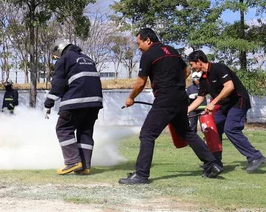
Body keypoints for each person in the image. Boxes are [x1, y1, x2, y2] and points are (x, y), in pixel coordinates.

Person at [119, 28, 222, 185]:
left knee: (147, 134)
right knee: (187, 133)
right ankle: (212, 164)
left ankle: (141, 175)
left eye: (139, 43)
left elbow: (140, 83)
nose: (138, 47)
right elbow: (186, 70)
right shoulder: (172, 50)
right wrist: (177, 84)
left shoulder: (148, 55)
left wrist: (130, 98)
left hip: (165, 100)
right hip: (181, 98)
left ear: (148, 40)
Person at [187, 50, 266, 173]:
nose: (191, 67)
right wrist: (185, 111)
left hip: (238, 101)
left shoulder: (219, 68)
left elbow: (229, 87)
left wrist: (213, 102)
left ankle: (255, 157)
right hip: (225, 106)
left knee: (231, 128)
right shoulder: (203, 79)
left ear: (199, 61)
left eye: (192, 64)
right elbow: (200, 98)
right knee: (212, 129)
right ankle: (215, 162)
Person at [44, 41, 103, 175]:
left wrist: (49, 103)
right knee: (85, 131)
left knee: (64, 128)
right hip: (95, 102)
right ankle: (85, 166)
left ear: (59, 50)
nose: (56, 58)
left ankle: (72, 162)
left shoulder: (65, 58)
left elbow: (58, 83)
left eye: (55, 56)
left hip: (75, 101)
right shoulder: (88, 59)